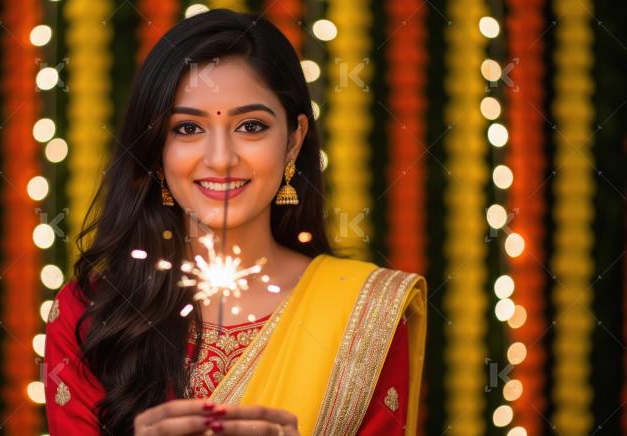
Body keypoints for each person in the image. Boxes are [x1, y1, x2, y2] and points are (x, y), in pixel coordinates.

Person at [45, 9, 426, 435]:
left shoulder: (364, 313)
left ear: (293, 142)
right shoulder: (96, 313)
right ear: (155, 149)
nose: (221, 159)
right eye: (188, 128)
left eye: (250, 126)